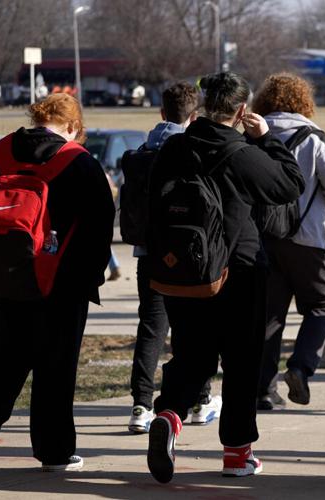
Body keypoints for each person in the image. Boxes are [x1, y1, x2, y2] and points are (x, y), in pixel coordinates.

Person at [145, 72, 304, 483]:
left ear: (201, 105)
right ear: (241, 110)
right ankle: (236, 453)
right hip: (240, 269)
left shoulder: (175, 146)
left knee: (193, 354)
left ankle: (168, 415)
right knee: (241, 361)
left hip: (184, 270)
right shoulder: (239, 151)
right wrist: (267, 137)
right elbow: (290, 185)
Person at [0, 93, 114, 472]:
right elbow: (100, 227)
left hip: (2, 276)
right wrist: (92, 278)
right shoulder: (79, 162)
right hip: (61, 282)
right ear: (74, 127)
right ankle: (55, 451)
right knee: (55, 368)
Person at [122, 82, 221, 434]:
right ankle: (199, 399)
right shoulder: (194, 150)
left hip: (149, 252)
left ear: (162, 113)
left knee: (151, 328)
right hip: (189, 255)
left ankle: (140, 404)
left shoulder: (140, 152)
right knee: (192, 331)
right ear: (194, 116)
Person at [254, 73, 325, 409]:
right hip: (312, 238)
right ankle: (300, 366)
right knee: (323, 306)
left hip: (264, 240)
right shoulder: (315, 139)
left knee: (269, 317)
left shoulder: (252, 137)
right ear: (303, 102)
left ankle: (263, 389)